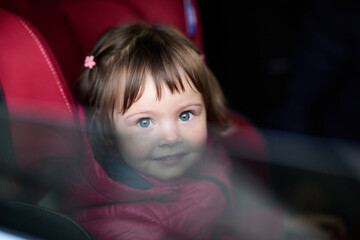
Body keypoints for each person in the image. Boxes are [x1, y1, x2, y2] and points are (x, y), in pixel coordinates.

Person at [72, 22, 233, 240]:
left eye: (185, 115)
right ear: (106, 128)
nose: (171, 137)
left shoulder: (210, 153)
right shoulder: (125, 223)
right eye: (145, 122)